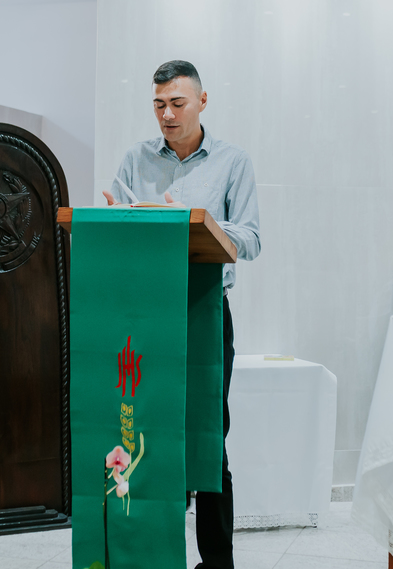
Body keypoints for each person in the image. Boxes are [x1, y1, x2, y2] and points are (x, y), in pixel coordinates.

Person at [102, 59, 260, 569]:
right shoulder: (136, 158)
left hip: (205, 312)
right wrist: (118, 220)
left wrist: (197, 223)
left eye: (177, 103)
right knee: (145, 434)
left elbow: (252, 239)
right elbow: (120, 226)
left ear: (202, 101)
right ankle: (151, 553)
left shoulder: (233, 162)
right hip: (144, 317)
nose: (166, 114)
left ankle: (217, 562)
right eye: (158, 105)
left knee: (209, 440)